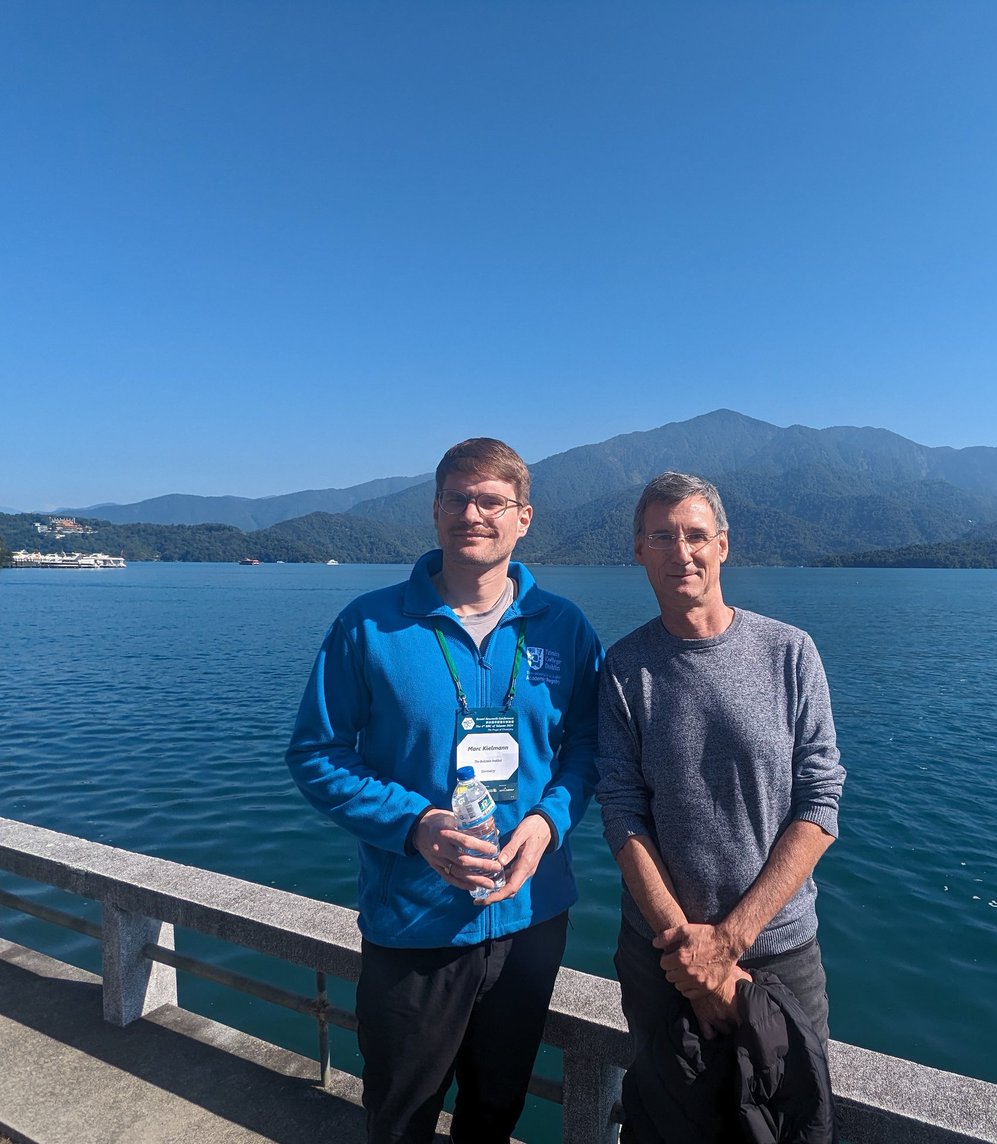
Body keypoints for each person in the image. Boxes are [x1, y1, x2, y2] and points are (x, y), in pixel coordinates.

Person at [286, 438, 602, 1144]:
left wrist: (550, 821)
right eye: (457, 498)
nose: (473, 513)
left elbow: (588, 746)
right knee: (400, 1114)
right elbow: (316, 753)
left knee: (496, 1110)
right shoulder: (370, 625)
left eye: (492, 500)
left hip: (530, 916)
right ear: (434, 512)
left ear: (524, 517)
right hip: (413, 921)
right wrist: (415, 824)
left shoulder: (566, 629)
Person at [595, 470, 845, 1057]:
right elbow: (621, 811)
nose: (681, 553)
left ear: (723, 545)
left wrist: (728, 943)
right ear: (639, 551)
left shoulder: (789, 652)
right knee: (667, 1120)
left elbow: (821, 800)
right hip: (662, 952)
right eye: (662, 537)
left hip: (779, 949)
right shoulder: (624, 670)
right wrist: (689, 950)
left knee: (796, 1120)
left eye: (696, 536)